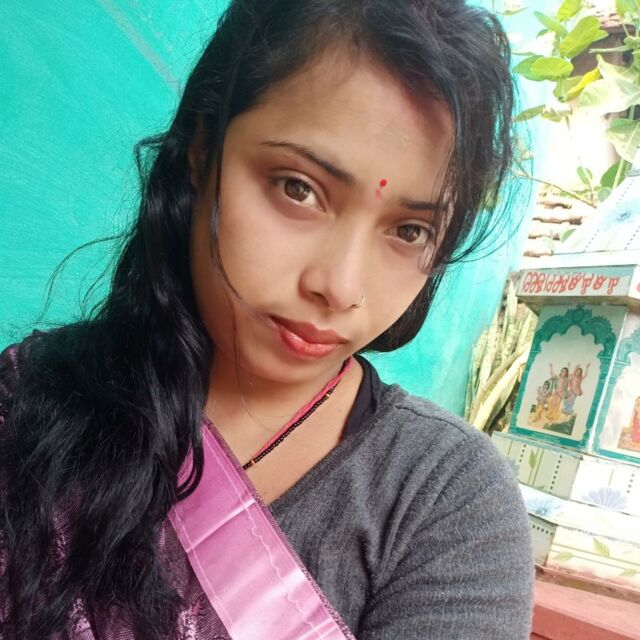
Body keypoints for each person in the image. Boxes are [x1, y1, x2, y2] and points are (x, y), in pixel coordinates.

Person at [0, 1, 534, 638]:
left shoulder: (443, 501)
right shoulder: (31, 397)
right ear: (203, 149)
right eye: (297, 188)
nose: (340, 287)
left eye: (410, 230)